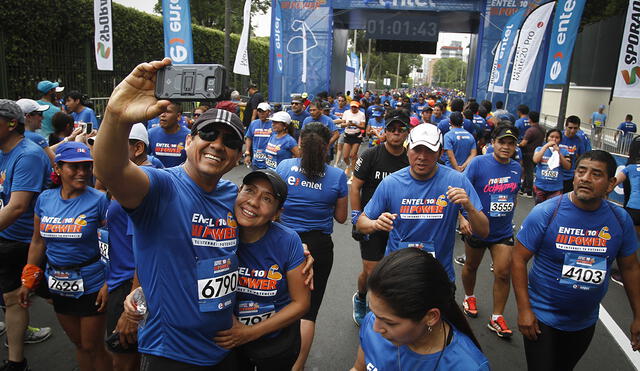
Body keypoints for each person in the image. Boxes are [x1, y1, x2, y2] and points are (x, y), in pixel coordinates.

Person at [93, 58, 246, 368]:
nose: (218, 145)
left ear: (237, 157)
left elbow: (262, 236)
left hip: (225, 347)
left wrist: (300, 252)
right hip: (171, 353)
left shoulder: (234, 195)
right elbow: (111, 170)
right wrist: (116, 115)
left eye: (229, 141)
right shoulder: (161, 186)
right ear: (188, 141)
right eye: (208, 135)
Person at [512, 150, 640, 370]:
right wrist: (524, 309)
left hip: (585, 321)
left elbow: (629, 268)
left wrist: (638, 315)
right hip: (543, 317)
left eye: (596, 174)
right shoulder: (546, 212)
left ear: (610, 184)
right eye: (581, 171)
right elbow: (518, 260)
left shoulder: (620, 219)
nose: (586, 178)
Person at [356, 123, 488, 287]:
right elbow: (361, 223)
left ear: (440, 152)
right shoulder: (391, 183)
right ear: (407, 149)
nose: (422, 156)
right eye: (417, 149)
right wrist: (376, 224)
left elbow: (483, 231)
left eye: (430, 151)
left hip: (439, 277)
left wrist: (469, 208)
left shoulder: (457, 180)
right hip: (398, 276)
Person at [18, 142, 111, 371]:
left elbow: (112, 245)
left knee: (93, 345)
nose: (82, 173)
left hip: (92, 283)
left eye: (87, 167)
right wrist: (29, 277)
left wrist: (109, 283)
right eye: (74, 167)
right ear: (58, 168)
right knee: (78, 343)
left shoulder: (99, 200)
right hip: (57, 283)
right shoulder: (45, 199)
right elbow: (38, 241)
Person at [213, 169, 310, 370]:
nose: (253, 202)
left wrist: (249, 332)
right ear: (238, 192)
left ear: (276, 213)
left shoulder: (288, 241)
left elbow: (301, 304)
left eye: (266, 199)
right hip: (225, 342)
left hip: (274, 343)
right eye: (249, 190)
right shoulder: (217, 231)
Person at [276, 122, 348, 370]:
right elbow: (341, 217)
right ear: (328, 145)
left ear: (299, 144)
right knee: (308, 310)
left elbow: (274, 207)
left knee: (277, 300)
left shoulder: (284, 167)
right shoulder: (337, 176)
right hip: (318, 247)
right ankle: (296, 367)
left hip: (282, 240)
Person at [351, 248, 490, 371]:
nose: (375, 328)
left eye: (390, 322)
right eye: (374, 313)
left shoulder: (467, 366)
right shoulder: (371, 324)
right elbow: (358, 368)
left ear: (431, 317)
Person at [0, 100, 52, 371]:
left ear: (11, 123)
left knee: (58, 296)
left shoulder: (28, 154)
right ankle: (15, 362)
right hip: (7, 240)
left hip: (29, 242)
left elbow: (18, 207)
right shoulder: (2, 151)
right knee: (12, 299)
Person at [460, 126, 522, 338]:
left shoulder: (517, 168)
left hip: (503, 231)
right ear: (493, 143)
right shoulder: (478, 163)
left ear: (515, 146)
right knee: (472, 265)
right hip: (478, 228)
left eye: (511, 143)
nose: (506, 147)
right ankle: (469, 296)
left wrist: (509, 217)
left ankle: (497, 317)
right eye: (502, 142)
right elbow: (462, 189)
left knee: (504, 273)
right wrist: (462, 218)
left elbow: (512, 196)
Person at [350, 110, 410, 326]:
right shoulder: (370, 155)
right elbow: (355, 186)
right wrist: (357, 217)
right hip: (371, 222)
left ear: (407, 133)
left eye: (400, 129)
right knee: (372, 272)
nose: (396, 133)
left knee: (397, 271)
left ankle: (387, 309)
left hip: (400, 223)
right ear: (385, 132)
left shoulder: (410, 157)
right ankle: (362, 297)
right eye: (392, 129)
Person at [532, 129, 571, 204]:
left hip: (556, 188)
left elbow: (568, 167)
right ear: (547, 138)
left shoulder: (564, 151)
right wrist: (545, 147)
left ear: (560, 140)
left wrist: (558, 153)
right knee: (539, 209)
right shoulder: (539, 149)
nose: (554, 139)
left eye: (557, 137)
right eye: (551, 137)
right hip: (540, 186)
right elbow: (535, 160)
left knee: (552, 210)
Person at [147, 101, 191, 168]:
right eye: (161, 111)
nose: (162, 115)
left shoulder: (189, 136)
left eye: (167, 112)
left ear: (178, 116)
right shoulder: (151, 134)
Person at [16, 98, 55, 164]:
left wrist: (67, 140)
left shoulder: (15, 136)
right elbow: (55, 162)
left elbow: (46, 149)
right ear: (28, 117)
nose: (43, 118)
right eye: (40, 114)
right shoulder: (36, 138)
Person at [518, 111, 545, 198]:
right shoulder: (542, 129)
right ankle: (523, 188)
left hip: (528, 153)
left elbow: (523, 143)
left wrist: (518, 144)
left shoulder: (530, 130)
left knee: (528, 172)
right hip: (537, 153)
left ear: (530, 119)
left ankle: (529, 190)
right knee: (529, 171)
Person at [560, 116, 587, 193]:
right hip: (557, 175)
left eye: (575, 128)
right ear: (566, 126)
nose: (572, 131)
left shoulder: (579, 141)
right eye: (570, 128)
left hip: (569, 177)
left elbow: (582, 157)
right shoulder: (558, 136)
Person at [341, 101, 367, 179]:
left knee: (352, 155)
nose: (353, 108)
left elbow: (363, 127)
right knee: (345, 156)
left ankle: (353, 173)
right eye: (352, 106)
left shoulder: (361, 114)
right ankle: (348, 166)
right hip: (347, 135)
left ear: (358, 107)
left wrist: (355, 124)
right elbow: (342, 124)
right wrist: (347, 124)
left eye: (355, 107)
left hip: (357, 136)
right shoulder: (346, 113)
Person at [244, 102, 273, 170]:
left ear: (269, 112)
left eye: (263, 111)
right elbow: (248, 137)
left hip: (269, 161)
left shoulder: (274, 124)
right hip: (256, 160)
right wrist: (247, 153)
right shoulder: (254, 123)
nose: (261, 113)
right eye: (259, 111)